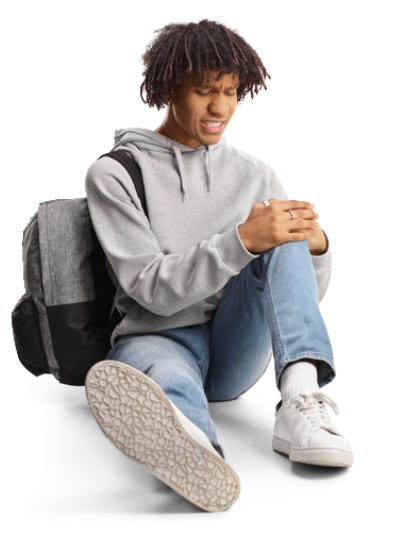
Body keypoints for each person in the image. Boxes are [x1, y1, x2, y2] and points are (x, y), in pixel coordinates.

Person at [84, 18, 353, 513]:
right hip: (155, 335)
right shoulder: (117, 173)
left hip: (234, 348)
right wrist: (240, 241)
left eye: (231, 93)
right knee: (169, 379)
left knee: (283, 230)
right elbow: (149, 288)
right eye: (204, 91)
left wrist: (315, 249)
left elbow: (295, 300)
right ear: (168, 88)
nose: (220, 108)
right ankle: (195, 450)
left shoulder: (255, 174)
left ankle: (300, 399)